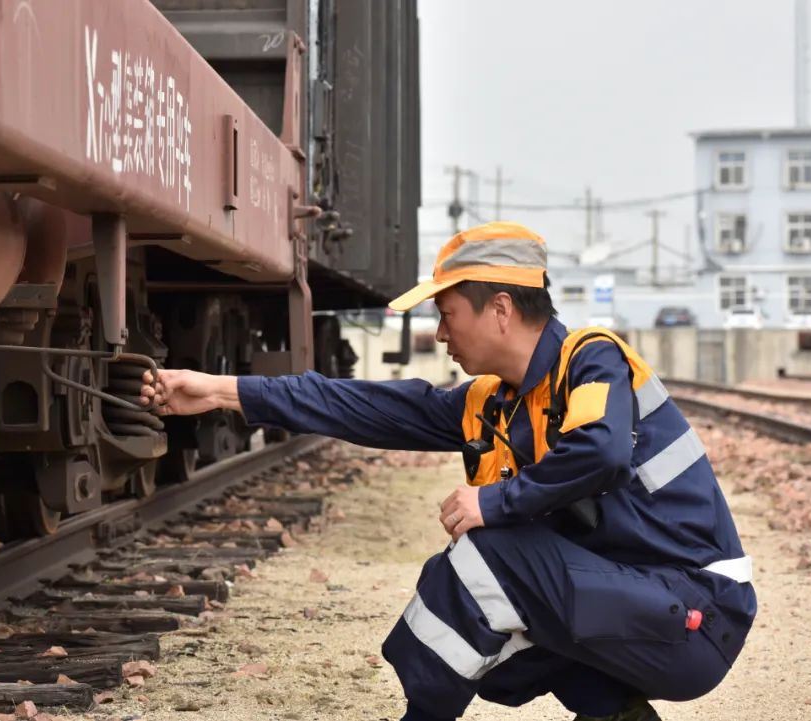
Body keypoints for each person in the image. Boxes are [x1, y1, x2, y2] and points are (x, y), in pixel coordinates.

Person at [139, 222, 756, 721]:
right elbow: (364, 406)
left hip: (699, 614)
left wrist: (495, 504)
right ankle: (615, 713)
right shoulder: (496, 401)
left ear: (502, 309)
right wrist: (223, 391)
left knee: (489, 557)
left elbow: (600, 452)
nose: (439, 334)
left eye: (448, 313)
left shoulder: (591, 360)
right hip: (638, 605)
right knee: (491, 645)